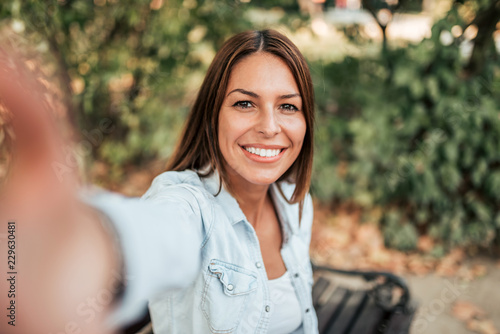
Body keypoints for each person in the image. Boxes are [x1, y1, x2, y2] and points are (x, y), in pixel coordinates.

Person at [0, 29, 317, 334]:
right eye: (245, 103)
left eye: (288, 106)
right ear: (212, 115)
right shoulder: (189, 206)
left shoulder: (295, 201)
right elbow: (158, 233)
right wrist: (77, 251)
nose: (269, 127)